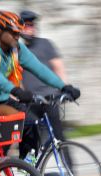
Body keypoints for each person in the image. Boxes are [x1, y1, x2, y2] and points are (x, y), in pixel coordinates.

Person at [0, 10, 81, 158]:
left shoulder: (16, 48)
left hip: (1, 100)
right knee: (2, 141)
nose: (17, 36)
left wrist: (63, 86)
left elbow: (39, 69)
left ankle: (28, 169)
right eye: (13, 33)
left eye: (19, 33)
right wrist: (14, 90)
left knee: (33, 123)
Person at [19, 10, 70, 152]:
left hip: (50, 99)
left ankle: (70, 172)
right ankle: (28, 173)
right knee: (30, 142)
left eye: (32, 25)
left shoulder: (46, 44)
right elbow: (17, 78)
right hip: (31, 102)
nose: (30, 28)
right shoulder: (16, 50)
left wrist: (63, 90)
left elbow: (59, 68)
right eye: (26, 25)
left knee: (59, 139)